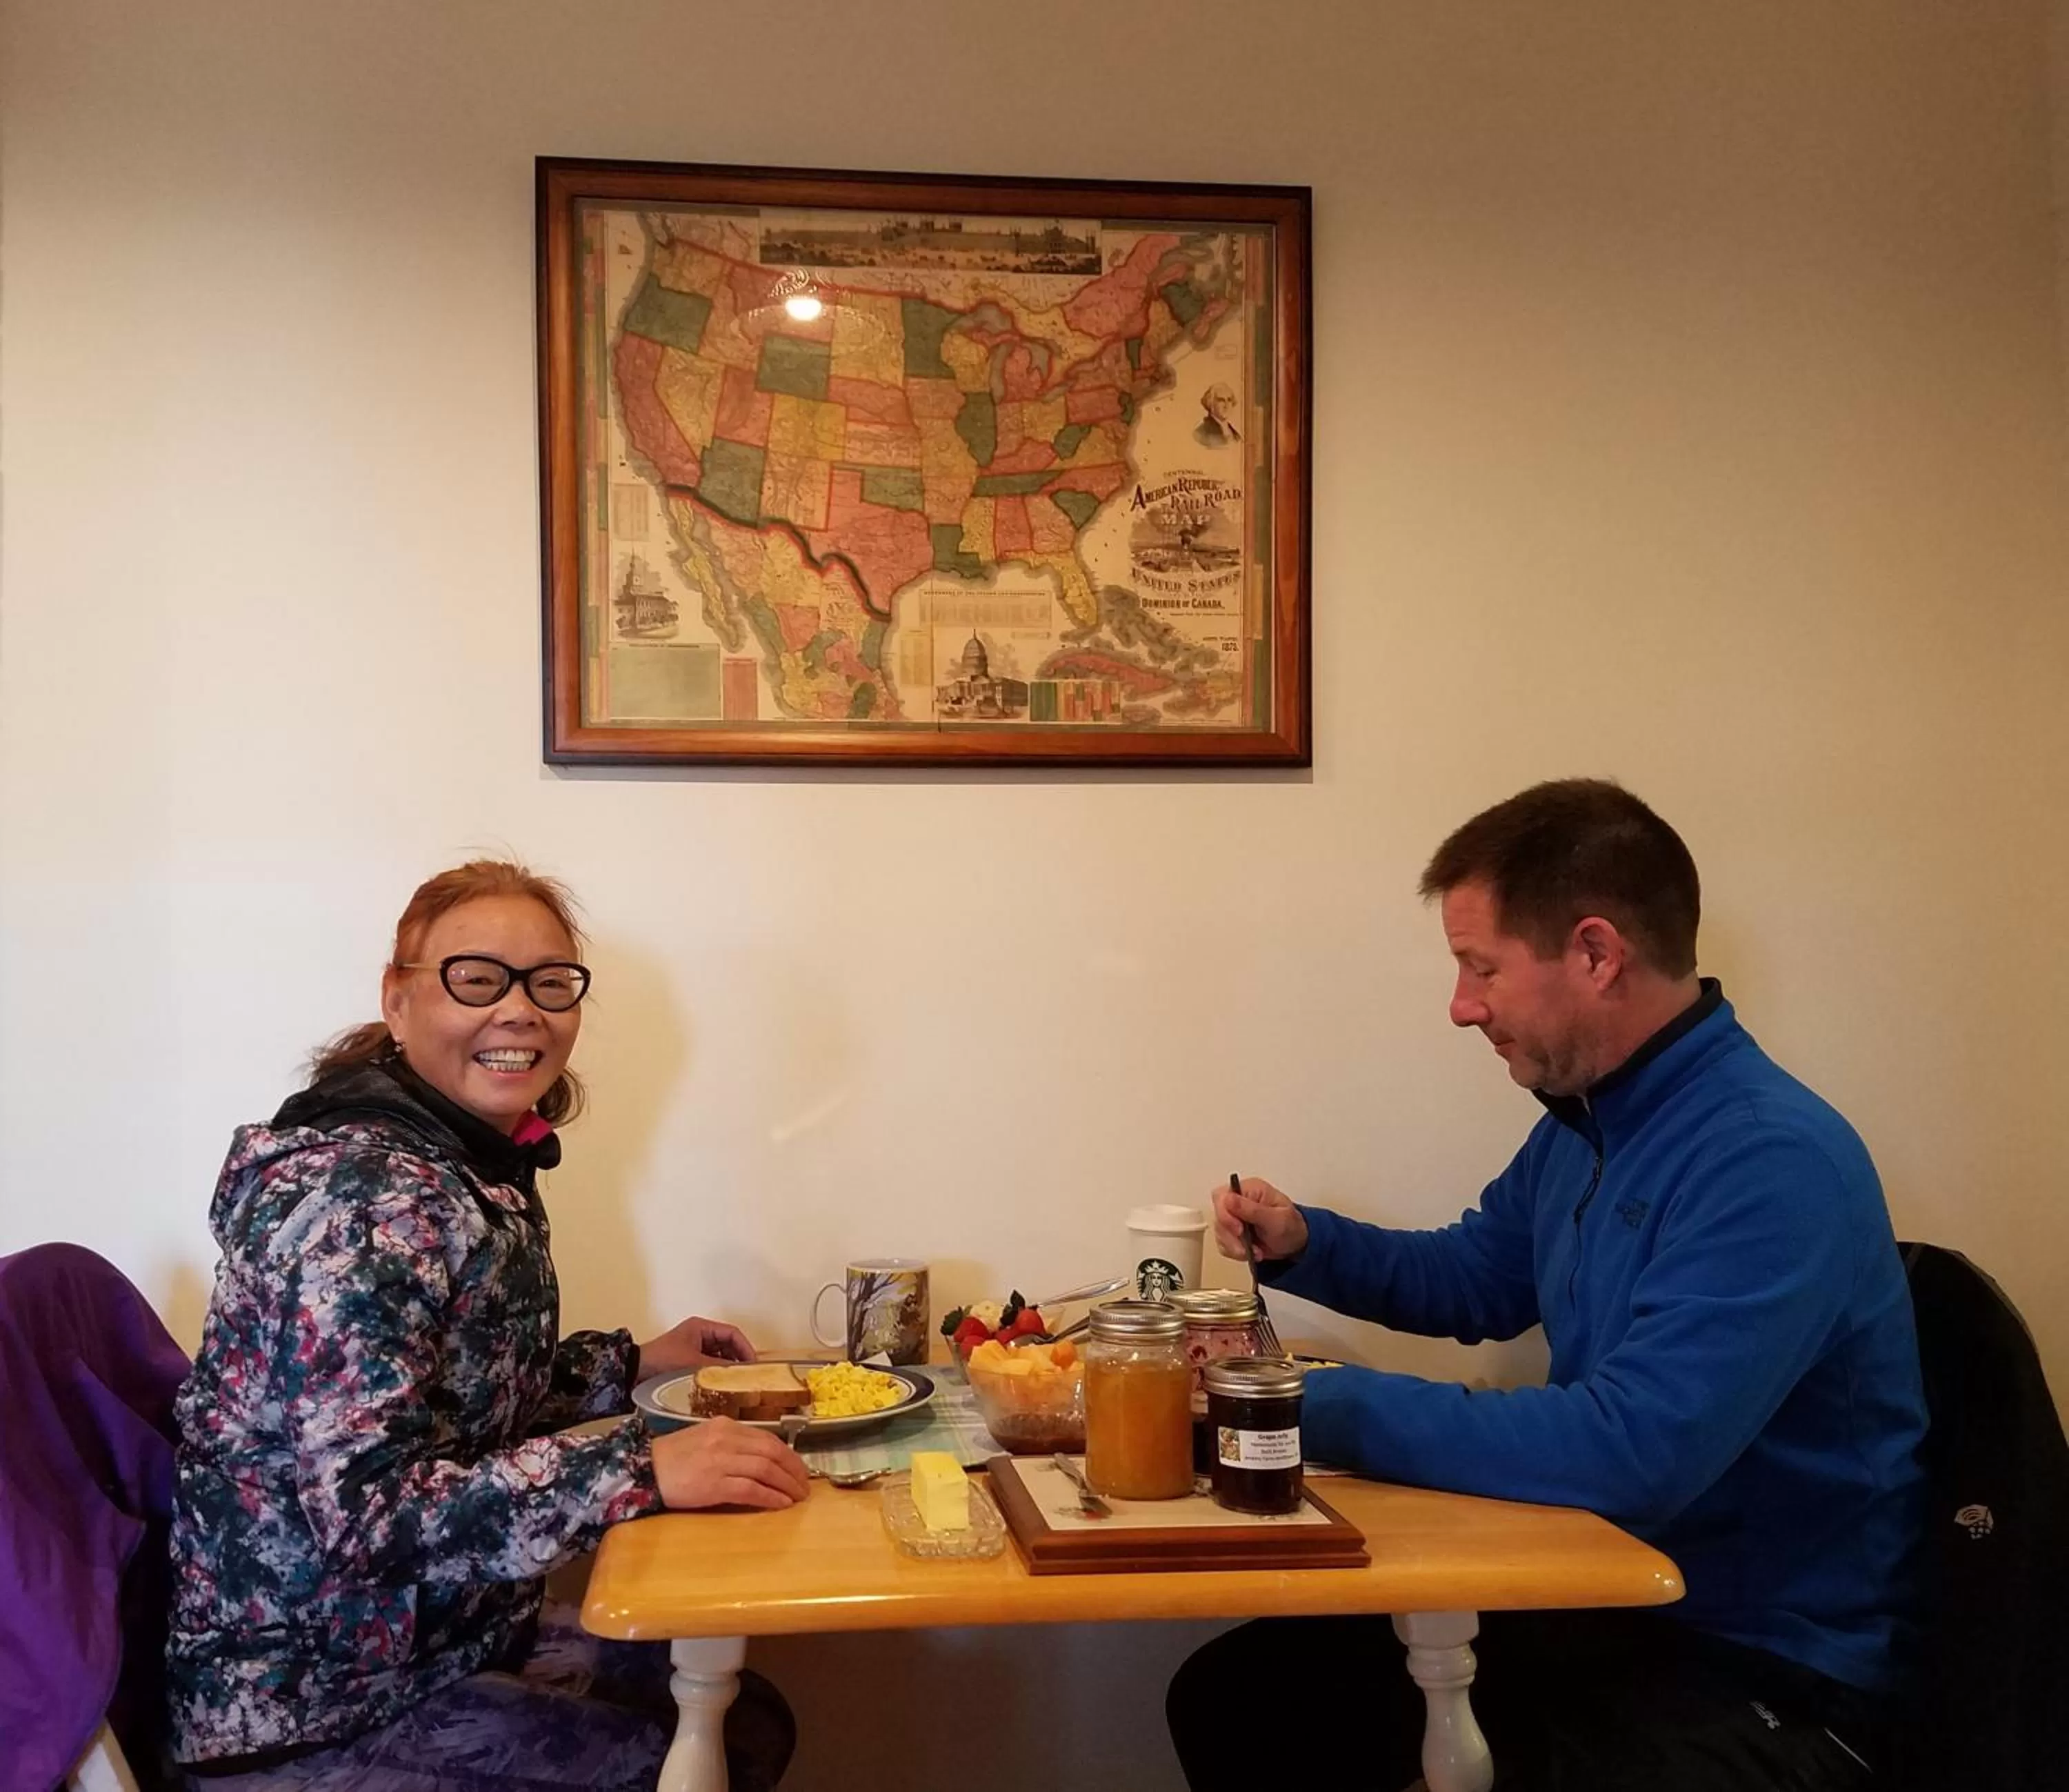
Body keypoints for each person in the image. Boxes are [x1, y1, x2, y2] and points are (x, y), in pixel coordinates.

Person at [1167, 780, 1928, 1791]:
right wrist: (1309, 1241)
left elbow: (1627, 1451)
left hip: (1760, 1673)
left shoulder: (1770, 1160)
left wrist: (1301, 1403)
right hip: (1614, 1610)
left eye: (1480, 967)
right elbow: (1480, 1277)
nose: (1460, 1005)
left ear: (1598, 953)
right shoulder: (1589, 1118)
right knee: (1242, 1699)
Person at [166, 860, 808, 1789]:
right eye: (477, 977)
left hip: (428, 1645)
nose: (521, 1010)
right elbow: (366, 1517)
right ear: (398, 1000)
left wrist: (624, 1365)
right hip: (310, 1707)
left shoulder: (457, 1162)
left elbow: (449, 1395)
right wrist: (640, 1467)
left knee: (741, 1718)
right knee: (678, 1753)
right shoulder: (361, 1198)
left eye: (551, 982)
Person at [1192, 380, 1241, 448]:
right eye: (1221, 400)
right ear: (1211, 404)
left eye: (1229, 400)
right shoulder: (1201, 433)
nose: (1226, 405)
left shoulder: (1236, 435)